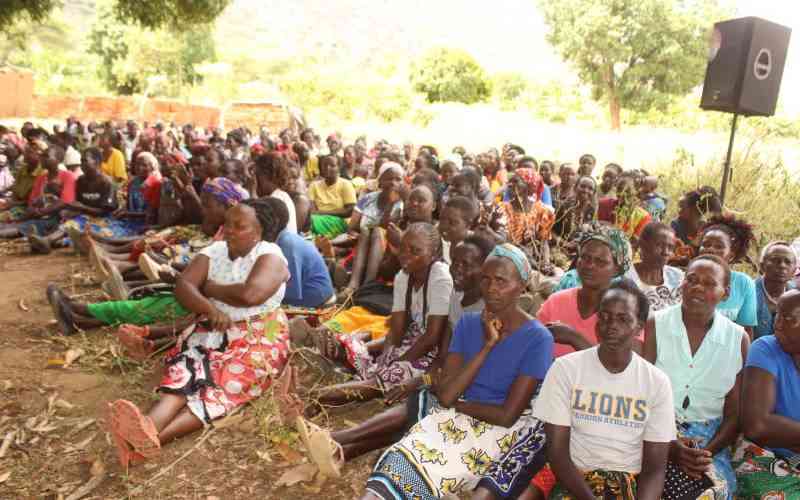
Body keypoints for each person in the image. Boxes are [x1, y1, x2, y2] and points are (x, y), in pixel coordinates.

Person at [361, 243, 554, 500]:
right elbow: (446, 396)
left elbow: (507, 416)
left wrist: (461, 406)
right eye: (486, 279)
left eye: (501, 281)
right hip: (451, 418)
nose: (491, 288)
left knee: (431, 468)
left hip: (494, 433)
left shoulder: (537, 338)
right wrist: (487, 347)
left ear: (522, 285)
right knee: (390, 472)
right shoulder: (468, 323)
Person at [108, 198, 291, 468]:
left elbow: (251, 294)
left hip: (260, 337)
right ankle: (148, 429)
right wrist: (209, 308)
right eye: (227, 223)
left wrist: (210, 288)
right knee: (190, 369)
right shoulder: (215, 250)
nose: (228, 230)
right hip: (213, 332)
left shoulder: (270, 254)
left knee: (221, 382)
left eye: (239, 226)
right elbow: (184, 287)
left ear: (259, 231)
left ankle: (147, 437)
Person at [529, 279, 674, 500]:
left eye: (623, 319)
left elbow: (654, 469)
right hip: (575, 481)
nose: (611, 325)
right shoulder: (566, 369)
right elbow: (557, 454)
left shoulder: (656, 382)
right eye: (604, 316)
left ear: (639, 327)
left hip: (630, 483)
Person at [311, 222, 452, 408]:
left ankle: (316, 396)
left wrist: (398, 362)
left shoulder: (440, 278)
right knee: (367, 356)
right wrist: (387, 358)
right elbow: (396, 330)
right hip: (411, 341)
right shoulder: (403, 277)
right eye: (403, 248)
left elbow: (431, 337)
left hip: (432, 354)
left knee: (383, 378)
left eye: (415, 251)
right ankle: (352, 379)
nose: (405, 255)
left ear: (433, 254)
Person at [644, 254, 750, 499]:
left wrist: (704, 454)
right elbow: (642, 394)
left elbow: (734, 417)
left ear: (726, 292)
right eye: (691, 279)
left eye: (710, 283)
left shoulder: (738, 339)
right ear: (682, 284)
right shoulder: (655, 324)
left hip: (710, 441)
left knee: (710, 491)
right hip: (656, 432)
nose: (697, 288)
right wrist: (671, 446)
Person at [734, 289, 800, 497]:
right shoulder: (765, 349)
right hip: (768, 457)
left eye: (788, 319)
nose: (777, 324)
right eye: (777, 315)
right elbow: (757, 426)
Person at [538, 226, 633, 357]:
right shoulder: (556, 302)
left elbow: (615, 368)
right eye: (585, 257)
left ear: (617, 269)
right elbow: (532, 345)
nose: (589, 266)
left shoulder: (624, 315)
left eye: (600, 262)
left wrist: (573, 337)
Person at [338, 162, 404, 296]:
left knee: (377, 231)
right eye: (389, 178)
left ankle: (368, 284)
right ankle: (353, 285)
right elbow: (352, 227)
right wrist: (354, 234)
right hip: (362, 244)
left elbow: (387, 227)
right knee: (367, 231)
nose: (393, 183)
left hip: (385, 250)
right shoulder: (368, 199)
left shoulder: (400, 204)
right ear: (380, 181)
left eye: (398, 179)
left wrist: (391, 204)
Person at [267, 197, 334, 308]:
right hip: (307, 297)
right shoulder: (282, 239)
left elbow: (291, 291)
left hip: (317, 302)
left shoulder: (287, 243)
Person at [698, 214, 757, 333]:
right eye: (706, 244)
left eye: (719, 246)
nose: (710, 249)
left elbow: (746, 331)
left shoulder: (743, 283)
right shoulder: (688, 278)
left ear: (732, 254)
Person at [625, 222, 684, 311]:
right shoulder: (626, 279)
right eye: (659, 245)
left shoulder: (677, 276)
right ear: (643, 245)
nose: (665, 252)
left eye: (670, 247)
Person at [754, 241, 798, 338]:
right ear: (762, 266)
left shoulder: (797, 295)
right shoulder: (749, 292)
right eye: (775, 260)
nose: (782, 266)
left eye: (788, 261)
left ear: (795, 270)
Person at [307, 154, 356, 238]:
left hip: (340, 221)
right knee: (308, 222)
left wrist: (322, 213)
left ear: (338, 168)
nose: (327, 168)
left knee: (309, 222)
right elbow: (311, 209)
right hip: (318, 219)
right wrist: (318, 214)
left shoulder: (346, 184)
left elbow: (350, 211)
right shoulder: (314, 185)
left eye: (332, 165)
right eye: (325, 165)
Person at [597, 173, 652, 242]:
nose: (622, 194)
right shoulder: (603, 204)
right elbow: (594, 227)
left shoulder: (643, 217)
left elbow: (634, 243)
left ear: (636, 191)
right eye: (619, 189)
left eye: (627, 191)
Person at [253, 152, 298, 234]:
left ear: (264, 176)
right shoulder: (279, 195)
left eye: (256, 175)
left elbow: (254, 229)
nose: (254, 181)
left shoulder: (275, 200)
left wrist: (252, 190)